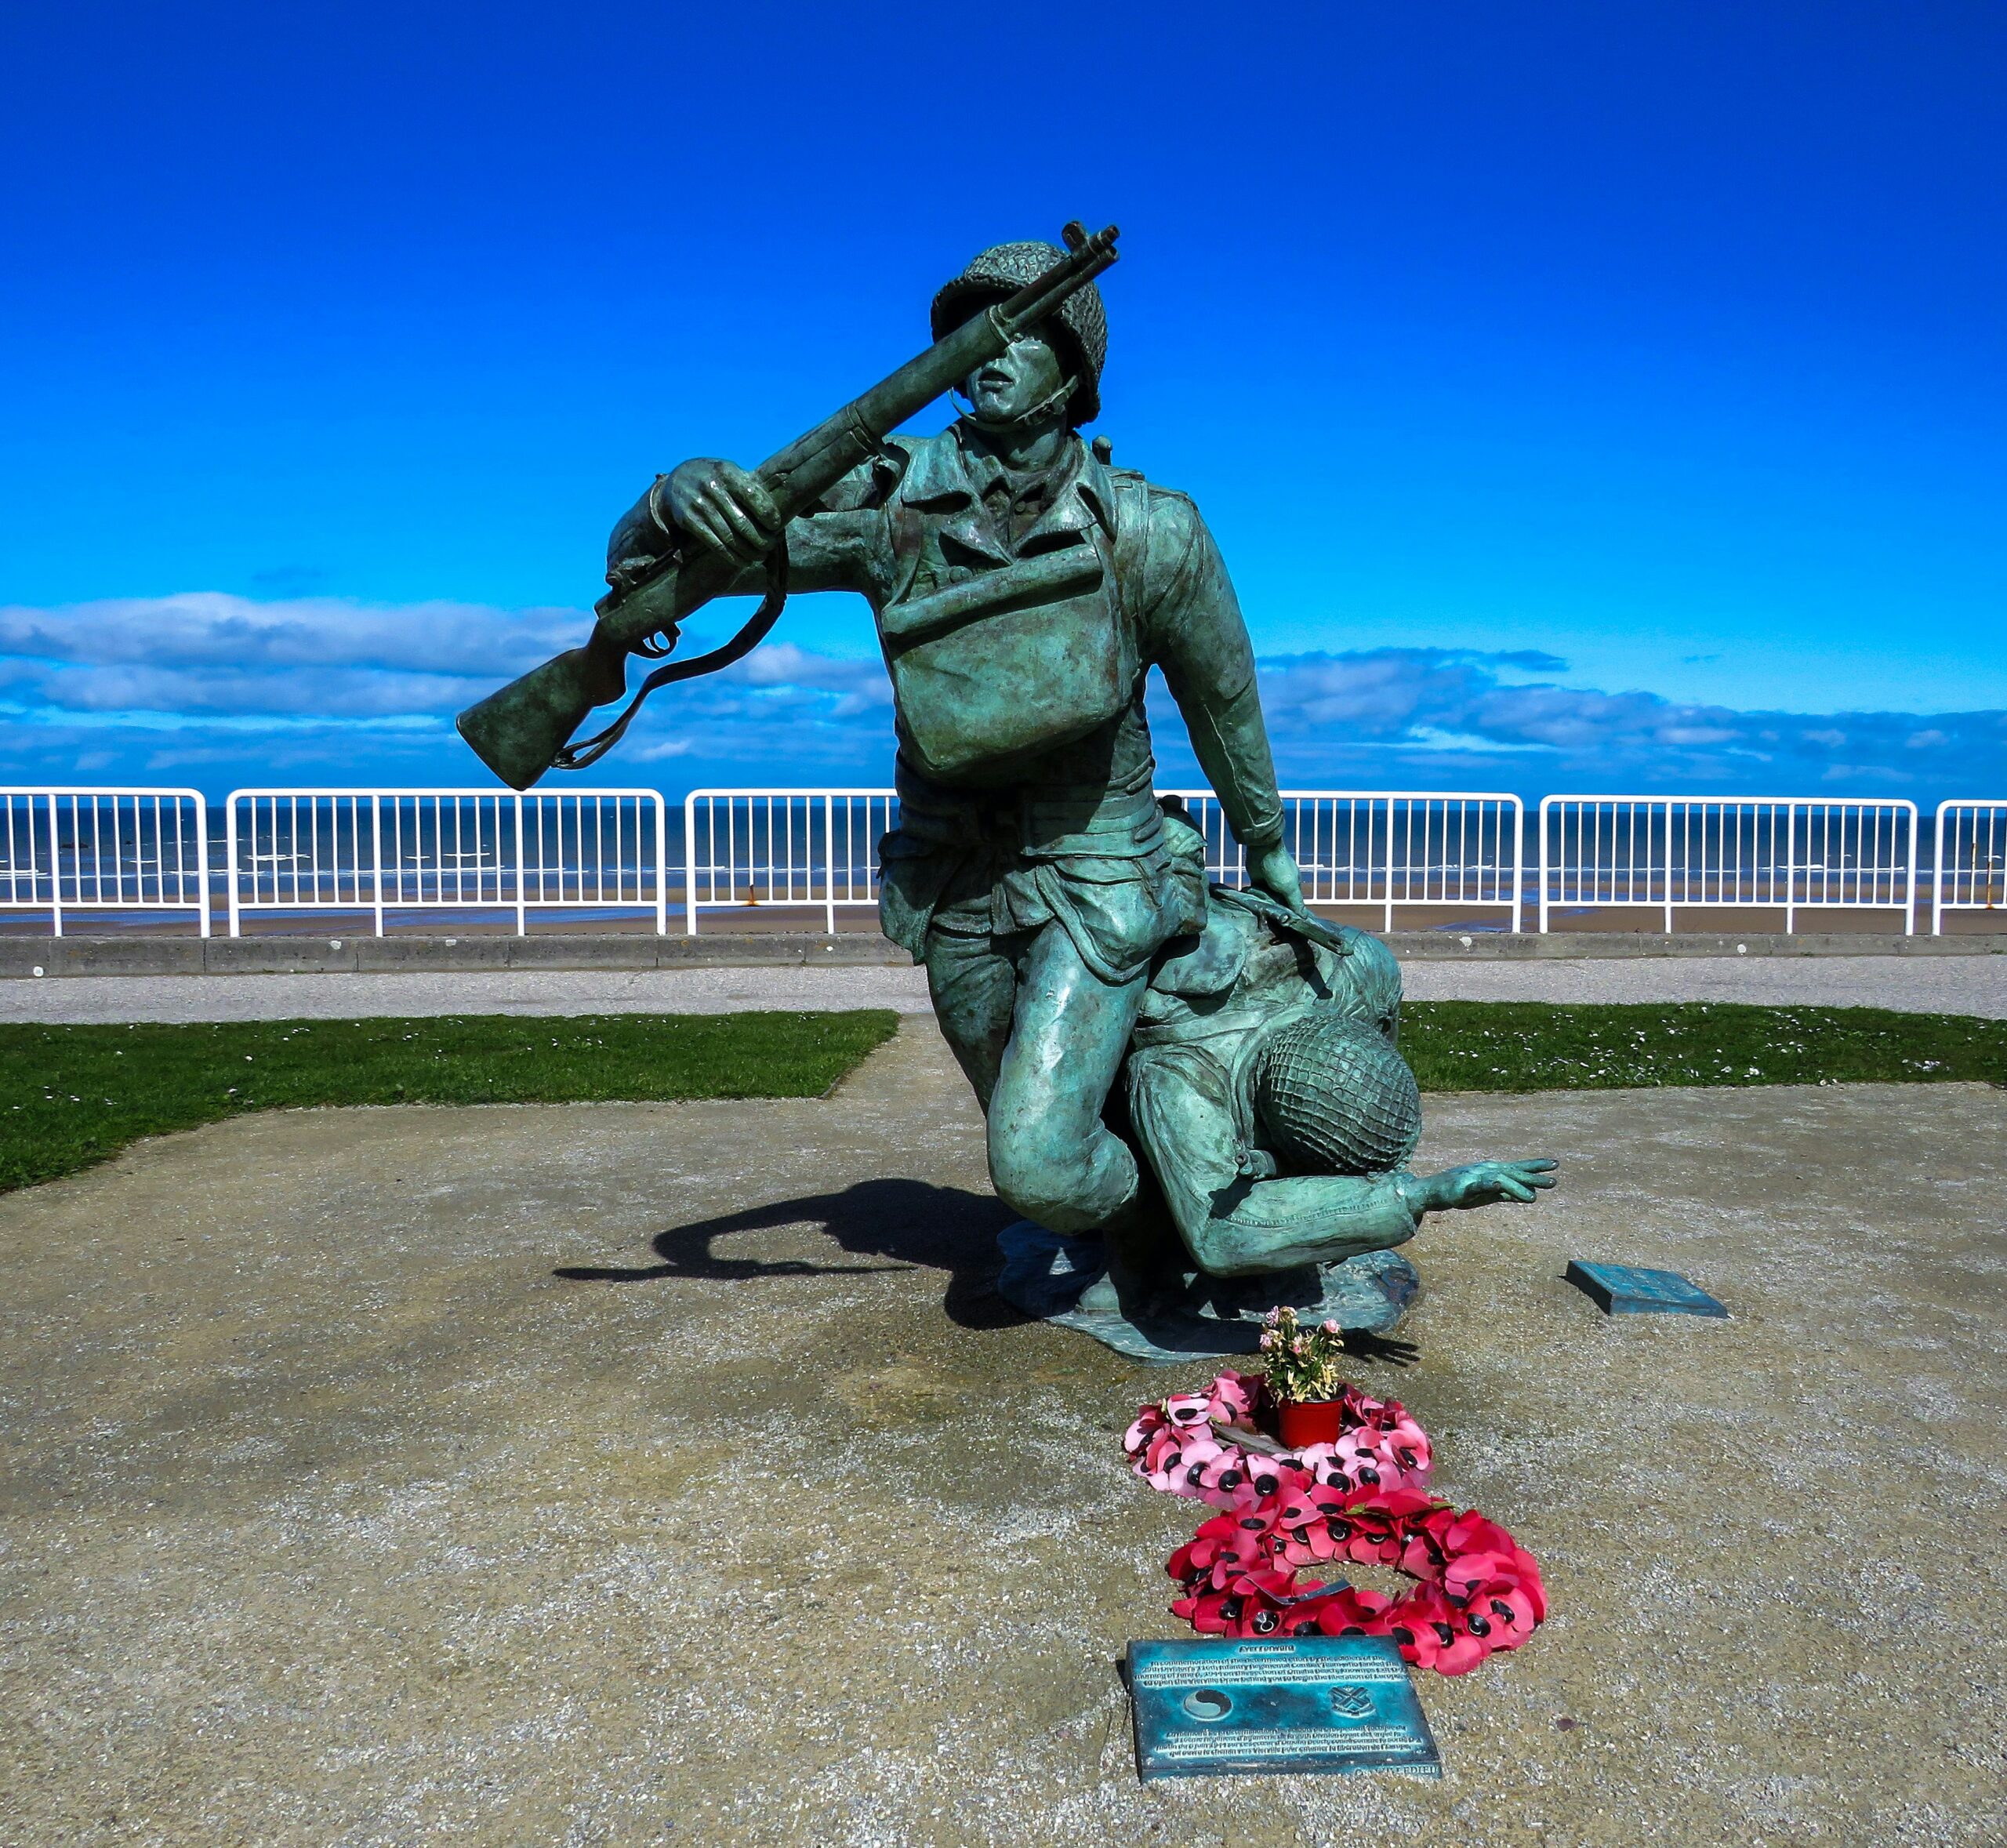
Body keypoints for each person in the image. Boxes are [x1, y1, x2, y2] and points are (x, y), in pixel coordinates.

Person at [606, 242, 1304, 1291]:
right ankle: (1147, 1218)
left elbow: (1225, 700)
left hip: (1098, 872)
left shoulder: (1153, 531)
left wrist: (1269, 844)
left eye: (1022, 333)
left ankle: (1175, 1215)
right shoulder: (888, 501)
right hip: (952, 878)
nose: (989, 354)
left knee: (1035, 1159)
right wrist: (671, 500)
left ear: (1074, 372)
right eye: (974, 332)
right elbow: (666, 581)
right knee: (1033, 1139)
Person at [1120, 805, 1556, 1294]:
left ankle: (1303, 1197)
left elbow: (1220, 1231)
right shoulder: (1180, 1076)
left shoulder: (1355, 969)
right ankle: (1136, 1243)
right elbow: (1220, 1232)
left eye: (1192, 861)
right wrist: (1419, 1194)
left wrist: (1407, 1191)